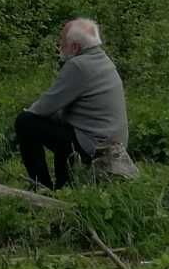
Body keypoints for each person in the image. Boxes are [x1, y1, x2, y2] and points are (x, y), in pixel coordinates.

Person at [15, 17, 136, 189]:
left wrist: (28, 112)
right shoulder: (102, 59)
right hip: (110, 140)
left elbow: (45, 107)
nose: (60, 47)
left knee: (25, 122)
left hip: (94, 145)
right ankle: (63, 185)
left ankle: (41, 186)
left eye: (62, 43)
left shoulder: (79, 66)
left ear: (75, 47)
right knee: (62, 130)